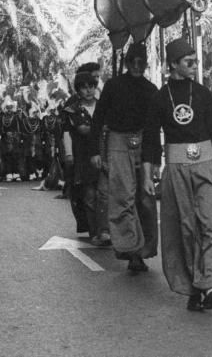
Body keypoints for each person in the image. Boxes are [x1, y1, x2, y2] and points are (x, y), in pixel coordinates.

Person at [153, 38, 212, 311]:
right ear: (173, 64)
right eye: (188, 62)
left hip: (206, 164)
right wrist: (148, 173)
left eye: (195, 61)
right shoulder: (161, 96)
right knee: (187, 229)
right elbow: (152, 139)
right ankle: (194, 288)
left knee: (210, 224)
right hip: (176, 168)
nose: (194, 66)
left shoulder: (202, 93)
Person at [92, 41, 160, 273]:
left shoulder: (152, 91)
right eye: (133, 62)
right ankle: (131, 250)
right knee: (123, 198)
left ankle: (143, 250)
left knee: (145, 199)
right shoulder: (113, 86)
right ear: (126, 62)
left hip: (143, 144)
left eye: (141, 63)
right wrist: (96, 152)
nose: (137, 66)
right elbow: (98, 119)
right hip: (118, 142)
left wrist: (156, 160)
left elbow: (154, 129)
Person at [63, 72, 109, 246]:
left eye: (91, 86)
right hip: (82, 156)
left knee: (104, 193)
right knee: (89, 195)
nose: (89, 90)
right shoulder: (72, 110)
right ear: (78, 90)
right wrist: (68, 154)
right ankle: (95, 230)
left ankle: (106, 230)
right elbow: (67, 132)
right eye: (84, 87)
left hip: (104, 153)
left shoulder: (104, 107)